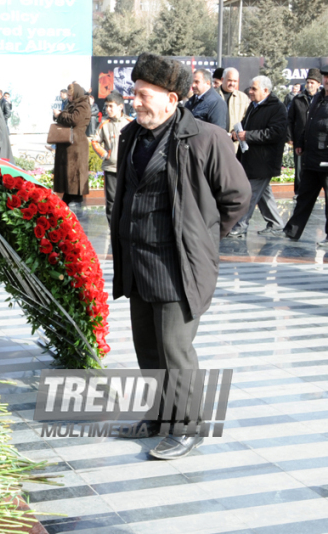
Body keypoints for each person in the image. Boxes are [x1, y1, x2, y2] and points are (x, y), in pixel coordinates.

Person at [111, 53, 250, 460]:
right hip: (138, 260)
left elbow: (237, 197)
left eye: (143, 94)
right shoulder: (131, 135)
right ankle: (158, 416)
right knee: (148, 347)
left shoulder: (205, 137)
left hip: (179, 266)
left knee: (175, 348)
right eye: (133, 93)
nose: (134, 101)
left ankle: (189, 426)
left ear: (172, 99)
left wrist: (203, 237)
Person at [275, 66, 328, 247]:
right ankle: (292, 231)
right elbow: (308, 123)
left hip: (326, 159)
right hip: (312, 157)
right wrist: (301, 143)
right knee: (304, 196)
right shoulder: (319, 98)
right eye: (326, 76)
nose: (327, 80)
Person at [228, 76, 287, 237]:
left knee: (250, 193)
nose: (250, 91)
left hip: (264, 160)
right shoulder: (254, 106)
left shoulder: (277, 108)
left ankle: (240, 225)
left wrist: (248, 135)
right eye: (250, 88)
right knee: (263, 193)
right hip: (251, 158)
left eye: (254, 89)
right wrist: (238, 133)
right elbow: (247, 125)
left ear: (265, 91)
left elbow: (275, 133)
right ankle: (275, 223)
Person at [91, 91, 130, 226]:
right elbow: (95, 141)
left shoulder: (130, 123)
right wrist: (105, 154)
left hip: (127, 168)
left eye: (111, 106)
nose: (108, 109)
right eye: (106, 106)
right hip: (110, 168)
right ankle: (113, 227)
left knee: (127, 198)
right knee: (111, 200)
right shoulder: (104, 124)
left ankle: (125, 226)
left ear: (120, 107)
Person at [52, 82, 91, 208]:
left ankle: (74, 202)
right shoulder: (74, 104)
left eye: (70, 95)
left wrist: (59, 115)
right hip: (69, 145)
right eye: (68, 95)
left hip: (77, 146)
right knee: (68, 175)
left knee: (74, 175)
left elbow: (73, 119)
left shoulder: (83, 105)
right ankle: (68, 201)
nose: (69, 97)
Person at [287, 68, 322, 196]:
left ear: (318, 84)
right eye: (308, 82)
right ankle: (299, 193)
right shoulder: (297, 100)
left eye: (313, 82)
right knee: (299, 169)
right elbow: (289, 120)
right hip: (299, 140)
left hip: (317, 141)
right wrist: (290, 137)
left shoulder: (322, 100)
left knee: (315, 168)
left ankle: (313, 194)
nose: (309, 85)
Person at [217, 67, 250, 140]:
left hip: (236, 144)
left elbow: (248, 118)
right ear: (222, 79)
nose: (232, 83)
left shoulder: (243, 98)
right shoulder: (213, 95)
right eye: (229, 80)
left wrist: (237, 132)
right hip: (217, 140)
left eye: (235, 81)